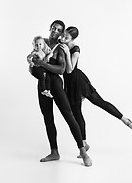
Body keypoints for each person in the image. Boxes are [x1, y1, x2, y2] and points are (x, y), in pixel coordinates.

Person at [60, 26, 132, 154]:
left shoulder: (75, 49)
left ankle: (125, 120)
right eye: (63, 35)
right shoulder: (61, 45)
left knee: (99, 102)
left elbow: (70, 69)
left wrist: (67, 53)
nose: (63, 38)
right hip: (69, 83)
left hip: (78, 81)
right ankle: (84, 144)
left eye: (66, 37)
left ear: (73, 39)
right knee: (77, 113)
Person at [29, 20, 92, 167]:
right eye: (53, 27)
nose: (54, 30)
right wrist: (33, 67)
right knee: (47, 117)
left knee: (68, 114)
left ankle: (83, 152)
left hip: (56, 83)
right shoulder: (41, 42)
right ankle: (54, 152)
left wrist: (43, 64)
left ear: (61, 32)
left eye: (58, 29)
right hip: (43, 83)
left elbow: (61, 70)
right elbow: (32, 62)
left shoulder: (60, 48)